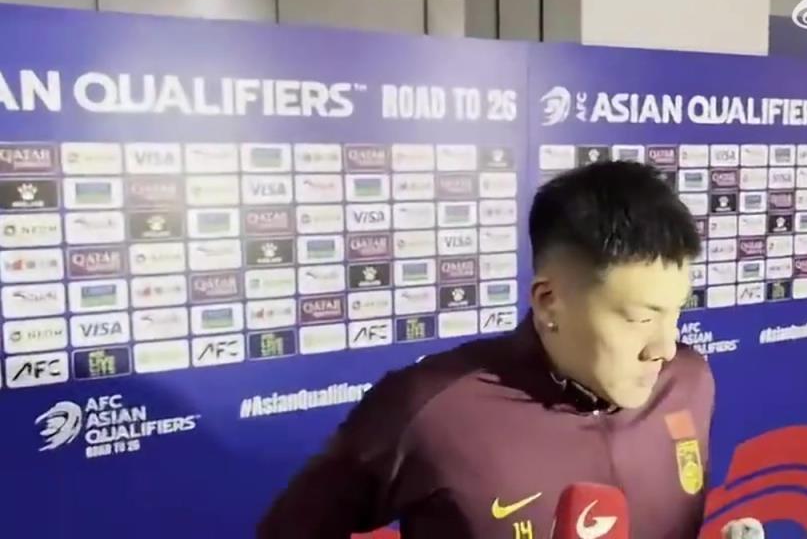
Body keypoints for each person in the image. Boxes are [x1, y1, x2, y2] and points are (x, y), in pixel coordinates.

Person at [257, 160, 713, 538]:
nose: (665, 348)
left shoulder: (689, 383)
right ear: (549, 301)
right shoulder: (429, 409)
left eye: (676, 312)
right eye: (640, 318)